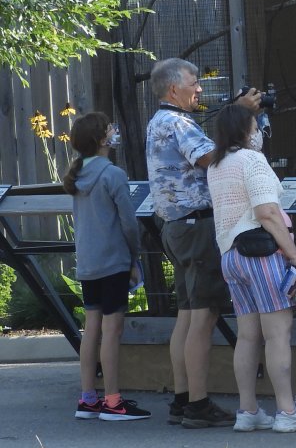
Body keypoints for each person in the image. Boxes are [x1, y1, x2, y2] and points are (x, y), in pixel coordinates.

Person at [145, 57, 262, 429]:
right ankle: (197, 403)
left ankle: (183, 398)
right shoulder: (178, 123)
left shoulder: (158, 122)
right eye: (194, 83)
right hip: (196, 229)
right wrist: (239, 115)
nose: (199, 89)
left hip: (175, 228)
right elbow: (212, 158)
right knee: (203, 316)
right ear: (172, 88)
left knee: (186, 314)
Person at [206, 104, 296, 432]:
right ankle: (288, 411)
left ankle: (248, 410)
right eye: (255, 126)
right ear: (245, 130)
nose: (259, 132)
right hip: (261, 255)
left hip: (231, 256)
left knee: (247, 337)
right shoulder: (252, 160)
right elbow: (267, 212)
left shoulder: (216, 165)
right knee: (277, 334)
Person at [65, 112, 149, 422]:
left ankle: (88, 398)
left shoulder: (77, 177)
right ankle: (113, 401)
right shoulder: (113, 174)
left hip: (88, 263)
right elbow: (128, 223)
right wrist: (134, 259)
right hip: (113, 261)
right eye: (109, 128)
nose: (115, 131)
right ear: (102, 140)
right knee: (112, 330)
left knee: (92, 329)